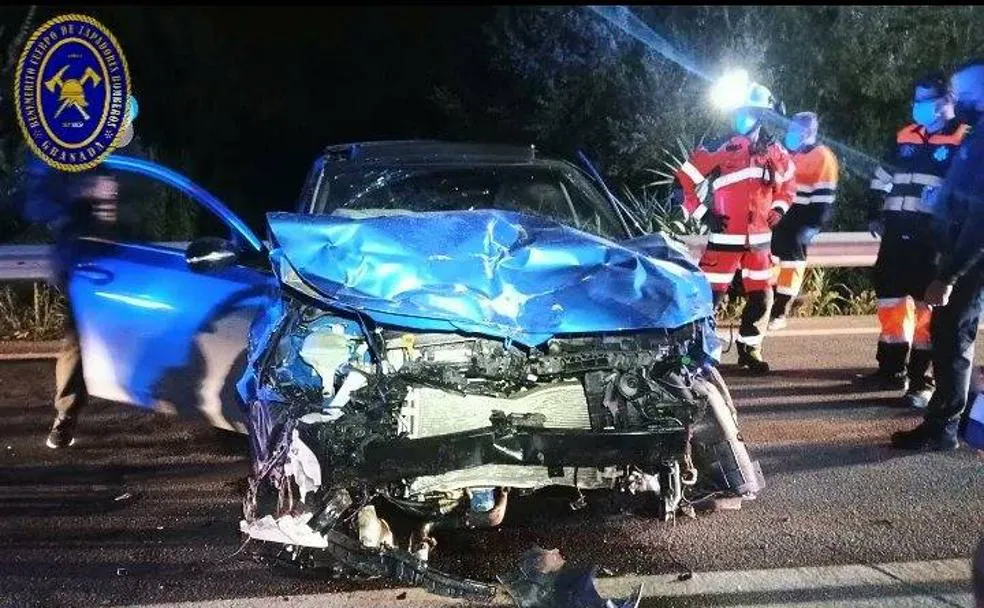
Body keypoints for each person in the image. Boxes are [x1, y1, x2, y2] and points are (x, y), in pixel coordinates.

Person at [859, 73, 971, 409]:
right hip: (896, 234)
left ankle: (921, 381)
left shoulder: (964, 139)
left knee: (928, 311)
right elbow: (882, 175)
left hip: (933, 239)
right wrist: (874, 210)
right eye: (917, 99)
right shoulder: (906, 135)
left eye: (925, 101)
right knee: (890, 302)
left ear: (946, 101)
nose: (917, 107)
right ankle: (891, 369)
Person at [892, 59, 984, 451]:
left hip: (967, 259)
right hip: (957, 251)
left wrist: (947, 275)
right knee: (948, 337)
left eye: (965, 93)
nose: (958, 100)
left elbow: (980, 220)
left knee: (952, 339)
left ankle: (944, 427)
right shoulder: (977, 135)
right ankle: (946, 421)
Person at [674, 83, 796, 374]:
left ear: (762, 114)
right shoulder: (720, 146)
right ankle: (694, 355)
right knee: (707, 299)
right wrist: (704, 214)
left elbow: (788, 185)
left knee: (762, 296)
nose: (740, 117)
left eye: (747, 111)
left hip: (760, 243)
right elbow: (680, 184)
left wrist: (778, 209)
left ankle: (750, 350)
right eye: (737, 111)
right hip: (724, 238)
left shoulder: (775, 152)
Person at [17, 153, 120, 448]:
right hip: (83, 266)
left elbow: (144, 196)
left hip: (132, 261)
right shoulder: (55, 154)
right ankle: (66, 414)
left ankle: (155, 392)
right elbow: (34, 205)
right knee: (78, 337)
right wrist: (83, 189)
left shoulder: (115, 153)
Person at [768, 112, 840, 330]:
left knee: (791, 264)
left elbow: (825, 196)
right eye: (791, 128)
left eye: (796, 129)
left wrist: (813, 225)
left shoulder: (822, 156)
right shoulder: (785, 153)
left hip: (801, 218)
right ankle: (771, 306)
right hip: (778, 215)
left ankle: (780, 311)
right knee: (771, 263)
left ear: (809, 132)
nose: (792, 133)